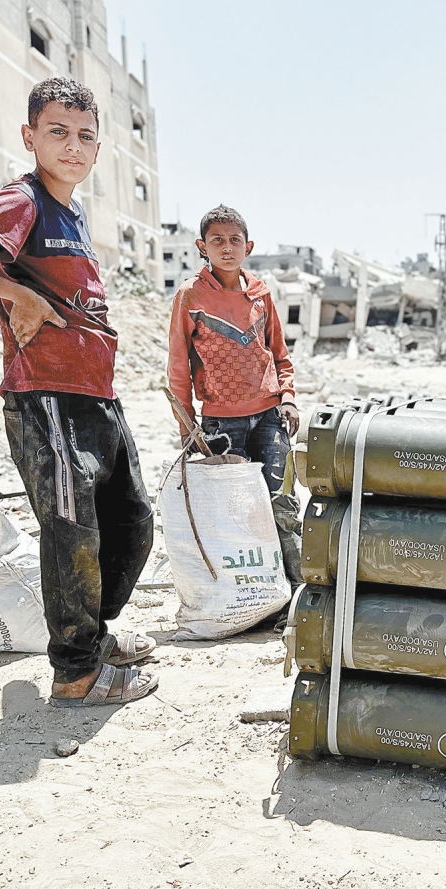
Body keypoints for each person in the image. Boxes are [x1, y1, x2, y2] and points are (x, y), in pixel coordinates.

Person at [0, 77, 158, 708]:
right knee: (72, 533)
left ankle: (94, 636)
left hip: (96, 395)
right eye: (58, 132)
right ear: (30, 136)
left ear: (98, 148)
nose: (73, 145)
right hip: (47, 397)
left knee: (131, 524)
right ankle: (76, 672)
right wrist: (16, 293)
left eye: (85, 135)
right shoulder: (22, 202)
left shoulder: (71, 213)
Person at [166, 205, 302, 616]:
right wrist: (187, 423)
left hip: (269, 417)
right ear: (202, 246)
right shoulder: (190, 295)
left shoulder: (261, 293)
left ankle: (297, 598)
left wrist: (288, 397)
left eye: (235, 240)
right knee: (235, 512)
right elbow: (178, 364)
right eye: (217, 240)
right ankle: (248, 602)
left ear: (249, 246)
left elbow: (279, 354)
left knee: (282, 504)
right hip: (221, 424)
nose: (227, 248)